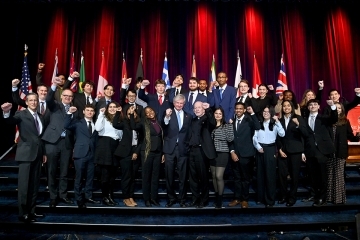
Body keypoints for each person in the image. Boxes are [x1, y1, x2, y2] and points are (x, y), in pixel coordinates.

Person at [1, 94, 47, 222]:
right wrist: (6, 113)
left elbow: (40, 138)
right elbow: (9, 121)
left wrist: (43, 153)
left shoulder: (41, 117)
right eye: (31, 100)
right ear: (26, 102)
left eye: (35, 100)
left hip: (38, 155)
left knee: (34, 185)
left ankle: (32, 211)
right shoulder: (21, 114)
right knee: (24, 186)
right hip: (26, 154)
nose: (33, 102)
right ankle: (23, 213)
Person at [42, 77, 77, 207]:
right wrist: (53, 86)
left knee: (64, 172)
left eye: (70, 96)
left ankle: (63, 195)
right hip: (52, 142)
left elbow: (75, 130)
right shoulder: (55, 106)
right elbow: (49, 99)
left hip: (66, 144)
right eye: (66, 95)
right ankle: (53, 196)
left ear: (72, 98)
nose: (68, 98)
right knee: (51, 171)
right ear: (62, 96)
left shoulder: (75, 110)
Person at [304, 99, 337, 206]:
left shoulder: (324, 118)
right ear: (308, 107)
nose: (312, 106)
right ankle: (314, 194)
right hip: (310, 151)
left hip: (322, 151)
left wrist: (333, 107)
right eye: (310, 105)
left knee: (323, 176)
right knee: (313, 176)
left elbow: (334, 119)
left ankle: (323, 198)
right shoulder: (304, 119)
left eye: (315, 104)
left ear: (318, 106)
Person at [64, 104, 99, 208]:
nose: (89, 112)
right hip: (80, 154)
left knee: (90, 177)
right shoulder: (78, 123)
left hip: (92, 154)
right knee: (79, 177)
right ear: (83, 111)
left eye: (91, 111)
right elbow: (66, 125)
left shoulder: (96, 124)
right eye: (87, 110)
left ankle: (88, 196)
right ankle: (79, 198)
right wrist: (69, 113)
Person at [162, 94, 192, 208]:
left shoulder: (188, 116)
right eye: (177, 103)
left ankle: (182, 200)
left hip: (182, 150)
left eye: (181, 103)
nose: (179, 105)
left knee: (183, 176)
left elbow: (189, 133)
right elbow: (164, 125)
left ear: (184, 104)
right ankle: (171, 198)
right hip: (169, 149)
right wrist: (167, 116)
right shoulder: (168, 113)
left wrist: (187, 145)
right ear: (174, 103)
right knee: (169, 175)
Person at [130, 106, 164, 207]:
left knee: (155, 177)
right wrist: (131, 115)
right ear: (145, 115)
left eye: (151, 111)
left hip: (158, 153)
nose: (150, 113)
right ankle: (147, 199)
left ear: (154, 111)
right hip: (147, 152)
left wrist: (162, 153)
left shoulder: (158, 122)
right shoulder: (143, 123)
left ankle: (154, 198)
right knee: (146, 176)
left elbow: (161, 139)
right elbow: (133, 127)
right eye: (147, 112)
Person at [228, 102, 260, 208]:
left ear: (244, 110)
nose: (238, 110)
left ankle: (245, 199)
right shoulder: (231, 122)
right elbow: (230, 139)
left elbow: (258, 126)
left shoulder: (249, 120)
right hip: (235, 155)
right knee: (237, 178)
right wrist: (232, 151)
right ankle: (237, 198)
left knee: (245, 178)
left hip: (246, 154)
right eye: (236, 108)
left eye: (240, 109)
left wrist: (252, 114)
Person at [277, 100, 308, 207]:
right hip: (283, 151)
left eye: (288, 105)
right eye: (284, 106)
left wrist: (298, 125)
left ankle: (292, 197)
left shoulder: (298, 118)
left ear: (292, 107)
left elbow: (305, 134)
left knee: (295, 176)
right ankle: (283, 196)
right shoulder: (279, 120)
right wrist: (279, 149)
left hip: (295, 151)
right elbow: (277, 137)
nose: (286, 107)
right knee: (282, 175)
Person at [327, 102, 359, 204]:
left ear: (342, 110)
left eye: (339, 108)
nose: (337, 110)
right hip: (329, 152)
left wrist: (357, 136)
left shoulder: (345, 121)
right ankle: (329, 197)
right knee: (330, 174)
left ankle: (338, 199)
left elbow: (350, 136)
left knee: (339, 175)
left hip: (340, 152)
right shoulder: (328, 122)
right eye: (335, 108)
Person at [253, 106, 285, 208]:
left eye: (268, 112)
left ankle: (270, 200)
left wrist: (278, 122)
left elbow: (282, 134)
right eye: (264, 111)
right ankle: (260, 198)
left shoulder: (275, 124)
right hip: (260, 150)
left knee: (270, 175)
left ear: (271, 113)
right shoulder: (259, 123)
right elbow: (254, 137)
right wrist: (258, 147)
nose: (265, 113)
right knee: (260, 174)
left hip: (270, 149)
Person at [187, 101, 216, 208]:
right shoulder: (192, 120)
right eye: (195, 108)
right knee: (193, 177)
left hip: (202, 152)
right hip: (192, 151)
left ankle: (204, 200)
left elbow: (213, 123)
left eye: (199, 107)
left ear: (203, 109)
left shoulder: (208, 119)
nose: (197, 109)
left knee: (203, 177)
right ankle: (195, 199)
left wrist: (208, 109)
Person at [94, 101, 123, 206]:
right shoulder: (104, 118)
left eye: (114, 107)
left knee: (112, 175)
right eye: (110, 107)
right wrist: (101, 114)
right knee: (105, 175)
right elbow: (97, 128)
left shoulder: (120, 119)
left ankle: (110, 196)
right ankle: (104, 196)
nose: (112, 108)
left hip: (115, 146)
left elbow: (121, 135)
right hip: (105, 145)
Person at [113, 105, 141, 207]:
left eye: (134, 111)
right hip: (125, 152)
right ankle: (125, 197)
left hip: (135, 151)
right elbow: (115, 124)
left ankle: (130, 196)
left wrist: (136, 152)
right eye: (130, 110)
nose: (132, 111)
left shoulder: (139, 124)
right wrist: (117, 113)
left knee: (133, 176)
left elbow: (141, 141)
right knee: (126, 176)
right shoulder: (125, 122)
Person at [211, 107, 234, 208]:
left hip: (223, 153)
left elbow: (230, 139)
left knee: (219, 176)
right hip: (212, 154)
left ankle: (220, 199)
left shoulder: (227, 126)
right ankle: (216, 196)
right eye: (216, 113)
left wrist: (230, 126)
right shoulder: (210, 125)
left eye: (220, 114)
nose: (218, 115)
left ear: (222, 115)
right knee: (213, 176)